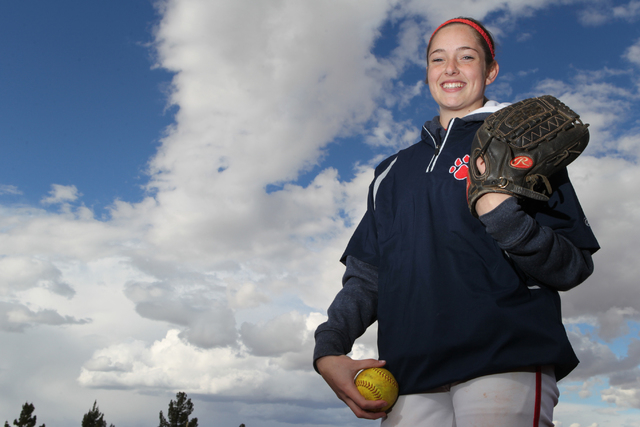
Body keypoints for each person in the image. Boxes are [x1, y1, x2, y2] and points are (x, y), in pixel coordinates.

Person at [313, 17, 600, 427]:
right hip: (408, 375)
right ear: (428, 72)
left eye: (466, 57)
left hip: (505, 358)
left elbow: (573, 266)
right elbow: (367, 277)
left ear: (490, 71)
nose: (450, 68)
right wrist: (328, 349)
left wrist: (504, 217)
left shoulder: (523, 145)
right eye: (438, 59)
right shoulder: (390, 172)